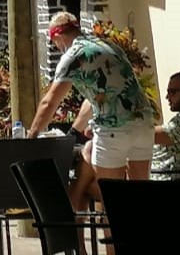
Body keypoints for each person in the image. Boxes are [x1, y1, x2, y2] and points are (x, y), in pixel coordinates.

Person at [28, 13, 154, 186]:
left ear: (57, 36)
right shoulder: (108, 45)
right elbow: (98, 96)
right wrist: (75, 130)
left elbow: (49, 102)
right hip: (144, 124)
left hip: (113, 129)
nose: (56, 47)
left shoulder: (73, 55)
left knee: (112, 197)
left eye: (54, 43)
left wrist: (32, 135)